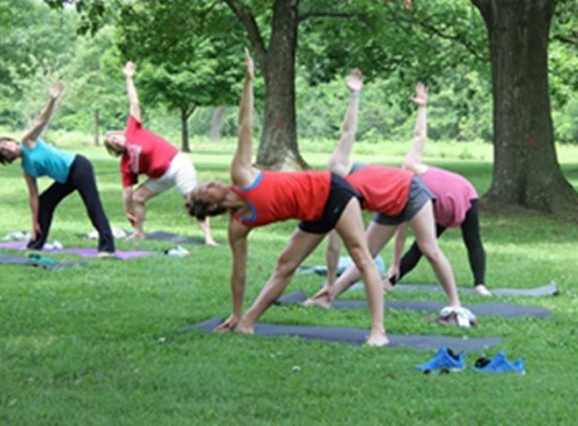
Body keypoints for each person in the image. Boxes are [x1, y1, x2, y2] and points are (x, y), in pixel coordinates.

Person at [184, 50, 388, 346]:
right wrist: (234, 311)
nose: (213, 182)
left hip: (333, 192)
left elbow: (245, 126)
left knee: (361, 257)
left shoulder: (241, 174)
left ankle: (378, 332)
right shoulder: (239, 226)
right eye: (208, 188)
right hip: (313, 213)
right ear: (213, 205)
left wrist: (248, 81)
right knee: (285, 265)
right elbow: (238, 273)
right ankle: (246, 322)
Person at [308, 70, 475, 326]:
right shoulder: (335, 196)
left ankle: (456, 304)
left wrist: (354, 95)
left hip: (411, 192)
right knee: (363, 253)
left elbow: (348, 131)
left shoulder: (337, 165)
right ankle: (328, 297)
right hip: (389, 205)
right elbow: (334, 244)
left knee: (429, 249)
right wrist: (330, 280)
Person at [386, 83, 490, 295]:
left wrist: (422, 108)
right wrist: (394, 264)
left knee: (472, 239)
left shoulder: (409, 166)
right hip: (439, 209)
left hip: (464, 194)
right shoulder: (403, 198)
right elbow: (400, 235)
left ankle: (480, 284)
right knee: (422, 246)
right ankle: (390, 282)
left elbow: (419, 135)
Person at [103, 61, 216, 246]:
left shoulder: (133, 129)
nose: (115, 141)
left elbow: (134, 102)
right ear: (114, 151)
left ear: (120, 133)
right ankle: (139, 233)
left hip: (177, 165)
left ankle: (208, 238)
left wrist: (128, 78)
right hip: (160, 177)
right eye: (112, 144)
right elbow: (127, 191)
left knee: (192, 200)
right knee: (138, 197)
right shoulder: (125, 164)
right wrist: (127, 210)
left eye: (115, 137)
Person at [0, 83, 115, 256]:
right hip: (66, 177)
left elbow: (42, 121)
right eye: (3, 151)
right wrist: (34, 224)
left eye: (5, 144)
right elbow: (33, 197)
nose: (7, 148)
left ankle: (107, 247)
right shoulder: (26, 169)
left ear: (12, 141)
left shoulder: (27, 142)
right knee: (44, 202)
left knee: (92, 205)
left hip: (78, 166)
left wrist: (52, 100)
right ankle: (36, 243)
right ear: (7, 158)